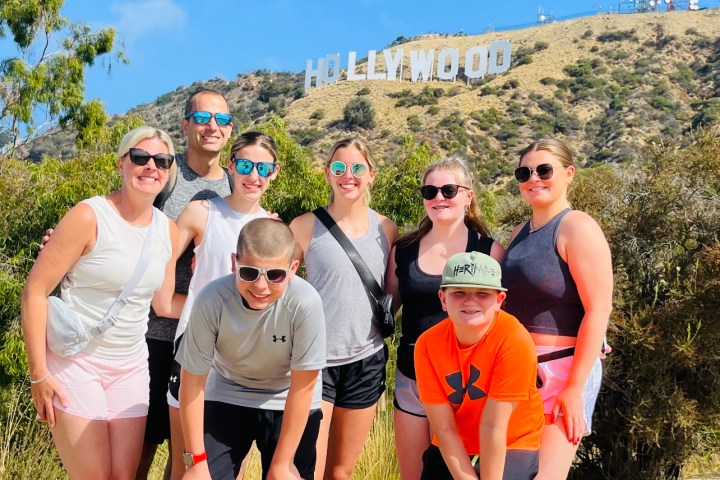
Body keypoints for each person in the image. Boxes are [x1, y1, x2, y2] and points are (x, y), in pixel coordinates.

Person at [21, 126, 180, 479]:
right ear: (122, 163)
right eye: (140, 158)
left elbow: (165, 303)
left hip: (130, 367)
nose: (151, 166)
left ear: (169, 171)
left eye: (161, 161)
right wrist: (38, 375)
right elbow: (34, 291)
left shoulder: (169, 230)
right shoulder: (89, 217)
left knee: (125, 476)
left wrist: (235, 291)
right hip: (76, 362)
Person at [165, 131, 279, 479]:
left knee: (230, 469)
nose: (253, 175)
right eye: (245, 165)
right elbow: (160, 275)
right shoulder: (202, 213)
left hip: (244, 362)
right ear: (231, 166)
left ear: (274, 172)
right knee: (186, 464)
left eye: (263, 167)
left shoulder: (273, 229)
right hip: (195, 354)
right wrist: (191, 309)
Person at [177, 218, 326, 480]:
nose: (260, 286)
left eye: (274, 275)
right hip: (227, 392)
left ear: (292, 269)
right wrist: (196, 462)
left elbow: (303, 387)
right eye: (249, 272)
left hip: (288, 397)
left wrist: (282, 464)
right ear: (234, 263)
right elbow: (191, 383)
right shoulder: (211, 299)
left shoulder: (305, 303)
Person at [384, 157, 505, 479]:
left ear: (468, 196)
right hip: (412, 379)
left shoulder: (489, 252)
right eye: (430, 191)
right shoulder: (404, 249)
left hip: (467, 385)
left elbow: (506, 317)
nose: (439, 198)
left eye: (449, 190)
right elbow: (385, 307)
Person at [138, 87, 236, 479]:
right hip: (154, 334)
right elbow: (124, 215)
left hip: (208, 344)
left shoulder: (237, 183)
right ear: (185, 124)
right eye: (203, 118)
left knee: (187, 457)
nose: (213, 126)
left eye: (222, 120)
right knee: (139, 449)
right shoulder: (165, 172)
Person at [501, 138, 613, 480]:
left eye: (544, 170)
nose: (534, 178)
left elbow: (598, 310)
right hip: (518, 374)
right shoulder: (519, 233)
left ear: (568, 173)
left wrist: (574, 388)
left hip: (564, 372)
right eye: (525, 172)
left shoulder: (577, 227)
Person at [289, 138, 397, 480]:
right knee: (310, 468)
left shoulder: (386, 228)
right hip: (315, 362)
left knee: (341, 471)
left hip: (366, 360)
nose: (347, 175)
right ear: (327, 174)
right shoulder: (305, 226)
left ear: (371, 176)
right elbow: (280, 285)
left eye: (356, 168)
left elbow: (392, 294)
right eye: (339, 168)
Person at [415, 251, 544, 480]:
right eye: (459, 292)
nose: (470, 300)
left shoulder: (514, 339)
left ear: (499, 301)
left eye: (482, 293)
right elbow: (443, 428)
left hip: (512, 439)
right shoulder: (427, 344)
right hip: (457, 439)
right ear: (443, 299)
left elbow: (494, 426)